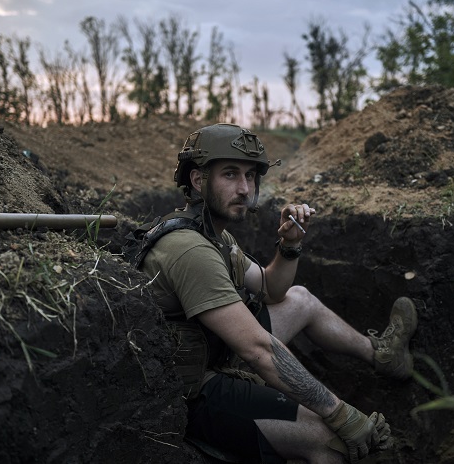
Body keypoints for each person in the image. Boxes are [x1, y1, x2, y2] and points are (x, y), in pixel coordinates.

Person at [127, 123, 417, 464]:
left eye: (250, 176)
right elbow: (257, 349)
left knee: (300, 299)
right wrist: (340, 413)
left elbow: (270, 288)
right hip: (191, 391)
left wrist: (290, 246)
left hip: (215, 354)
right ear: (197, 180)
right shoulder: (189, 249)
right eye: (231, 175)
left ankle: (382, 355)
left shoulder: (215, 238)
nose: (244, 188)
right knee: (330, 442)